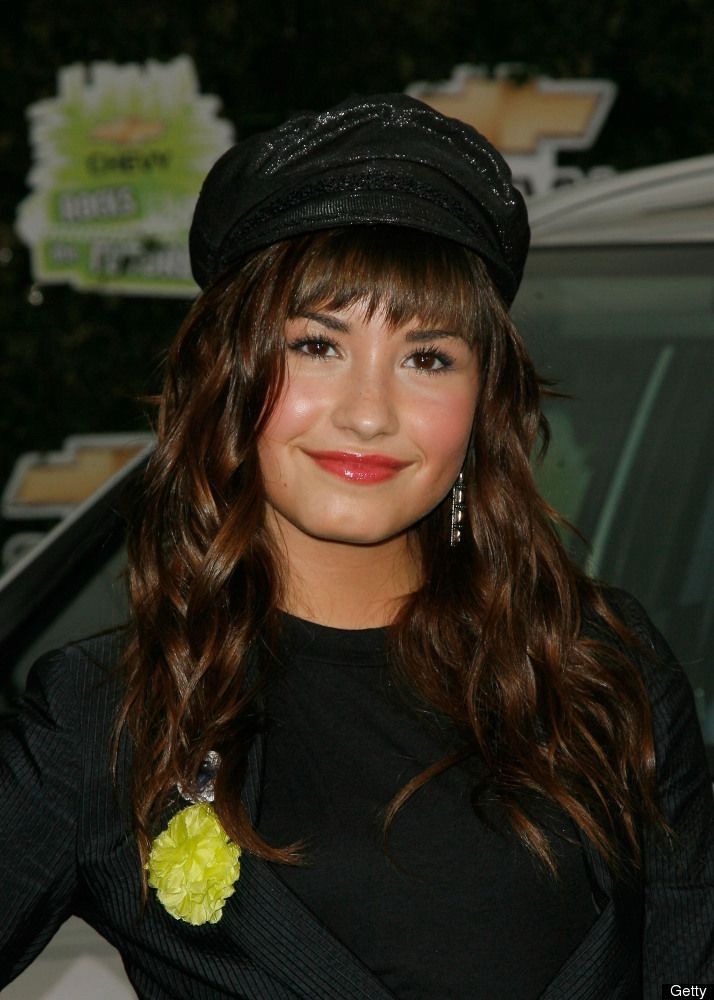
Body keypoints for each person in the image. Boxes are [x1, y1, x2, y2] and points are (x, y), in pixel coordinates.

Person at [1, 93, 712, 1000]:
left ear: (483, 403)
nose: (369, 414)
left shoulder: (602, 670)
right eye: (316, 344)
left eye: (427, 358)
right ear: (230, 374)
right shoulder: (110, 718)